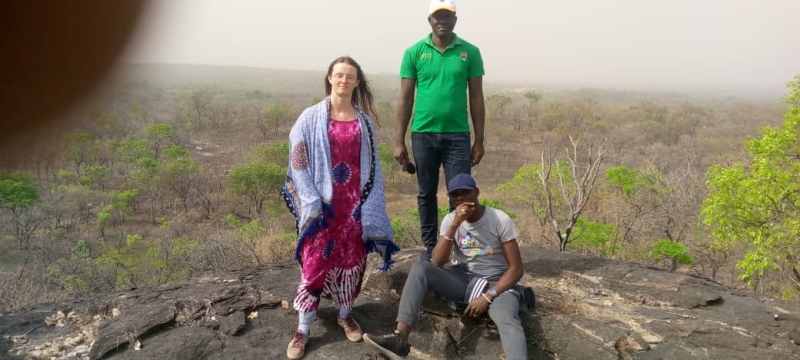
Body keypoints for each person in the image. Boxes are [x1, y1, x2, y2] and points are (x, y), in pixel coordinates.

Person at [281, 56, 400, 360]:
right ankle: (303, 329)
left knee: (352, 261)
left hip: (354, 208)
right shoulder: (310, 118)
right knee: (314, 263)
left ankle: (345, 314)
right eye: (339, 75)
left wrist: (370, 204)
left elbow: (372, 166)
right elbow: (298, 159)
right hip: (323, 209)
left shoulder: (365, 122)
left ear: (357, 82)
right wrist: (310, 200)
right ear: (329, 78)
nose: (344, 80)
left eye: (350, 76)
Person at [363, 173, 528, 360]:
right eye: (455, 195)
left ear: (477, 192)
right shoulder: (451, 220)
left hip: (497, 283)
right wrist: (455, 225)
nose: (460, 198)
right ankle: (400, 338)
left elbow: (516, 269)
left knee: (506, 318)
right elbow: (438, 261)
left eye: (465, 193)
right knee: (420, 268)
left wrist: (488, 296)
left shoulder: (499, 219)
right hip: (464, 279)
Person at [393, 0, 487, 262]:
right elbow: (405, 99)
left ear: (455, 20)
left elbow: (477, 98)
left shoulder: (470, 52)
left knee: (460, 193)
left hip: (458, 134)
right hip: (423, 133)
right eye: (438, 16)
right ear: (430, 20)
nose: (442, 20)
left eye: (448, 16)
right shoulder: (414, 52)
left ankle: (457, 243)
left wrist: (479, 140)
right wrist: (398, 140)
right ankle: (430, 246)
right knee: (426, 192)